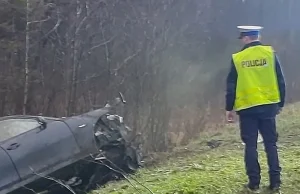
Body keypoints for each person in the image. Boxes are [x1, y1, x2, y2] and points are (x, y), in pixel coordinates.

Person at [225, 25, 286, 192]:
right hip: (268, 106)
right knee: (271, 144)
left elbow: (231, 85)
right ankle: (275, 182)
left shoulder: (238, 58)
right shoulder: (270, 53)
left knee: (250, 145)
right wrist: (280, 103)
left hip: (247, 108)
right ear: (258, 36)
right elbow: (281, 80)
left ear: (245, 38)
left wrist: (229, 108)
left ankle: (254, 182)